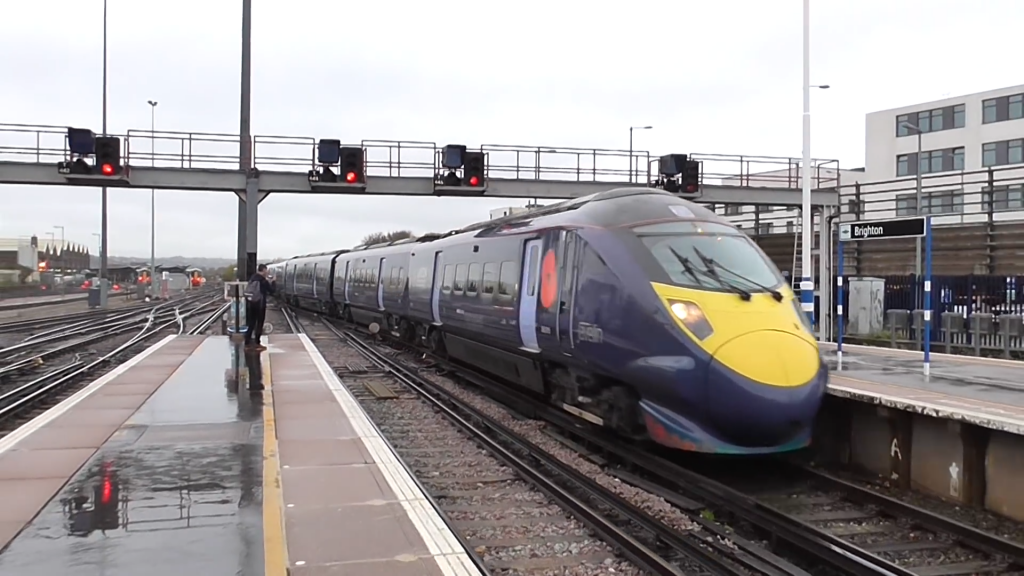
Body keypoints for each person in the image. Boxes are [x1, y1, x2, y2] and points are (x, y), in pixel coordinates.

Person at [244, 264, 274, 350]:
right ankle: (257, 343)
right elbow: (272, 290)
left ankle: (247, 343)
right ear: (263, 270)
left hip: (251, 304)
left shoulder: (252, 278)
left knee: (251, 323)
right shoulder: (263, 281)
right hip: (260, 305)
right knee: (259, 324)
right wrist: (273, 282)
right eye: (266, 270)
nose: (267, 272)